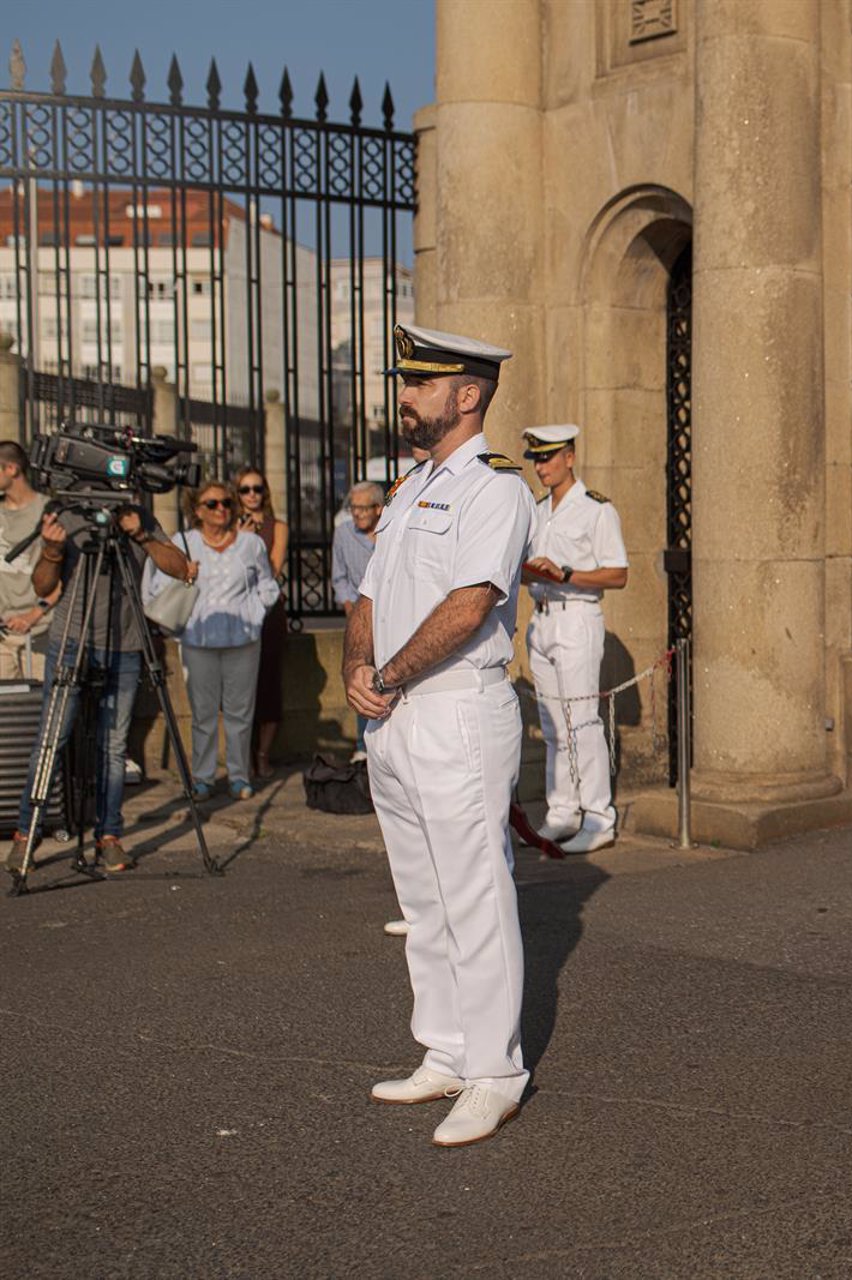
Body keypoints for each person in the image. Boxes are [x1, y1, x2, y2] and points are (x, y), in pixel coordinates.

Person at [347, 323, 533, 1148]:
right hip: (392, 712)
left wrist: (385, 678)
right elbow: (367, 596)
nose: (405, 396)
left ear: (465, 396)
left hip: (454, 705)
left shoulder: (496, 489)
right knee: (422, 900)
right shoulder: (410, 487)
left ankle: (496, 1071)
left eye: (420, 384)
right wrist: (360, 667)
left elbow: (469, 604)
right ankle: (447, 1050)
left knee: (474, 893)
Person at [7, 502, 191, 874]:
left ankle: (109, 836)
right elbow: (43, 585)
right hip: (73, 639)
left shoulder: (138, 514)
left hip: (123, 642)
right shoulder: (68, 512)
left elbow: (181, 569)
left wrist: (139, 534)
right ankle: (26, 834)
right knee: (51, 738)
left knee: (114, 745)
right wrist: (53, 551)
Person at [521, 424, 629, 854]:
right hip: (543, 617)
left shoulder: (596, 509)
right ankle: (563, 810)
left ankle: (599, 816)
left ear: (569, 457)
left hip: (576, 616)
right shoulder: (539, 508)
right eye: (536, 459)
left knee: (582, 721)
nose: (541, 467)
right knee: (551, 722)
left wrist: (565, 573)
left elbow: (618, 573)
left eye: (548, 457)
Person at [159, 481, 281, 801]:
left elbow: (267, 585)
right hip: (199, 640)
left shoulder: (250, 543)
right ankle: (203, 777)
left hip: (243, 638)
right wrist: (186, 575)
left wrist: (254, 613)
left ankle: (239, 776)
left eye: (226, 502)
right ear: (197, 510)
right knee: (203, 713)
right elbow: (160, 583)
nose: (221, 509)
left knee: (241, 712)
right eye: (211, 504)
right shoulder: (182, 543)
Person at [233, 465, 289, 779]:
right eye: (245, 489)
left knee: (268, 685)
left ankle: (263, 755)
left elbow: (272, 571)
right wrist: (240, 539)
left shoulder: (276, 526)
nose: (252, 495)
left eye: (257, 489)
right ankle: (242, 759)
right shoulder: (229, 525)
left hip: (268, 614)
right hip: (237, 613)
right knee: (240, 688)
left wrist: (253, 544)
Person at [331, 480, 384, 763]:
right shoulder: (343, 534)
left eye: (363, 509)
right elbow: (339, 576)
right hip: (359, 618)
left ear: (378, 508)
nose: (357, 514)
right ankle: (363, 746)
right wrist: (351, 608)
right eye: (353, 508)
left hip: (390, 617)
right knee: (361, 676)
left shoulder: (391, 530)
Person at [1, 441, 58, 681]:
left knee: (39, 712)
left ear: (12, 469)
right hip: (3, 637)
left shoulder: (48, 511)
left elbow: (63, 576)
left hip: (39, 634)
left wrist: (33, 615)